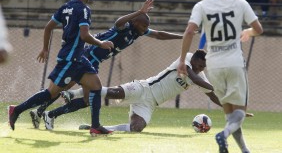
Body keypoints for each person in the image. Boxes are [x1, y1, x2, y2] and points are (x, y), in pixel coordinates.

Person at [29, 0, 183, 130]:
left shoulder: (137, 32)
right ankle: (42, 112)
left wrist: (182, 36)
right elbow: (118, 22)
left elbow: (159, 35)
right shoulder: (126, 27)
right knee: (65, 87)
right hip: (87, 56)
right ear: (135, 22)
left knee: (86, 99)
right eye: (143, 26)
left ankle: (48, 113)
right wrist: (139, 11)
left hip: (94, 61)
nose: (145, 29)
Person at [8, 0, 115, 137]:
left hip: (78, 59)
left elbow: (48, 27)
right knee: (52, 92)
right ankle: (16, 110)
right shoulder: (84, 9)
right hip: (70, 59)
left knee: (96, 86)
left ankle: (95, 126)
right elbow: (84, 35)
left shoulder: (65, 7)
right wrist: (101, 43)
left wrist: (45, 48)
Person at [177, 0, 263, 153]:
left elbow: (190, 31)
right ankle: (223, 135)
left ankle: (244, 150)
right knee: (239, 111)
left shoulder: (201, 5)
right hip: (234, 62)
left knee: (230, 114)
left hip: (214, 65)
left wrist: (183, 60)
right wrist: (248, 32)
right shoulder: (239, 2)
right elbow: (258, 28)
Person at [48, 50, 222, 132]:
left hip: (150, 103)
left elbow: (211, 94)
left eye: (202, 68)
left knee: (136, 128)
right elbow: (196, 78)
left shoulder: (200, 74)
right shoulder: (187, 59)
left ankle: (99, 128)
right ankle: (74, 93)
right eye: (199, 66)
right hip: (144, 88)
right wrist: (216, 86)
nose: (200, 69)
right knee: (114, 93)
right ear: (195, 59)